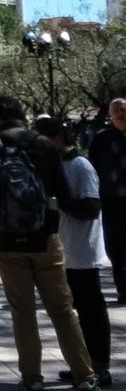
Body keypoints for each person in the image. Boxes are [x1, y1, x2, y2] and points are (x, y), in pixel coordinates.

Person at [0, 95, 98, 391]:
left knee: (23, 312)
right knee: (63, 310)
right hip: (46, 239)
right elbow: (64, 195)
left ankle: (32, 382)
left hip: (7, 241)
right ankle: (85, 378)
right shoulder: (43, 144)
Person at [39, 118, 112, 388]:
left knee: (92, 309)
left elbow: (92, 207)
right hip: (65, 250)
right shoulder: (57, 166)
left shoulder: (81, 166)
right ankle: (83, 363)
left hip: (83, 251)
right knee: (75, 311)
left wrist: (61, 203)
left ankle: (100, 365)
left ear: (58, 137)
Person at [88, 96, 126, 305]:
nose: (121, 114)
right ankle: (123, 289)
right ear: (110, 115)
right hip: (111, 202)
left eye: (124, 110)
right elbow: (92, 168)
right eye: (117, 111)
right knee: (115, 247)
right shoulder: (102, 139)